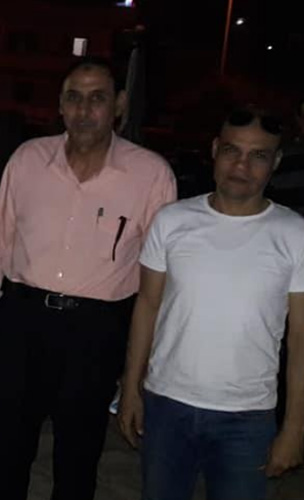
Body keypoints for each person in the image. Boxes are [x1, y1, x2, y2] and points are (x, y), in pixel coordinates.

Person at [0, 56, 176, 500]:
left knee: (78, 458)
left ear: (119, 105)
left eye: (97, 98)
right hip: (23, 321)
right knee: (5, 451)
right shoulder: (28, 160)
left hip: (96, 332)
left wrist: (140, 367)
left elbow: (159, 279)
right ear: (60, 105)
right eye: (74, 97)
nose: (84, 110)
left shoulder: (151, 175)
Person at [118, 108, 304, 500]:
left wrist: (294, 428)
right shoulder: (172, 221)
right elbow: (147, 306)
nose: (242, 165)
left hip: (247, 418)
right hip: (166, 406)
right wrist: (130, 388)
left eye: (258, 155)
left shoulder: (293, 234)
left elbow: (301, 340)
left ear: (275, 162)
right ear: (215, 150)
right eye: (233, 150)